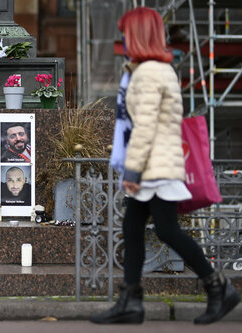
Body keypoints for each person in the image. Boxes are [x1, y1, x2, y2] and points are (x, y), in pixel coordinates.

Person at [90, 7, 239, 325]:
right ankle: (131, 300)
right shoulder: (152, 69)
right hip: (155, 163)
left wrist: (132, 171)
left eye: (125, 34)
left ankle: (218, 287)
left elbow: (143, 127)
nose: (122, 41)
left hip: (154, 167)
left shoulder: (148, 73)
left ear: (138, 36)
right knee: (133, 227)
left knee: (167, 230)